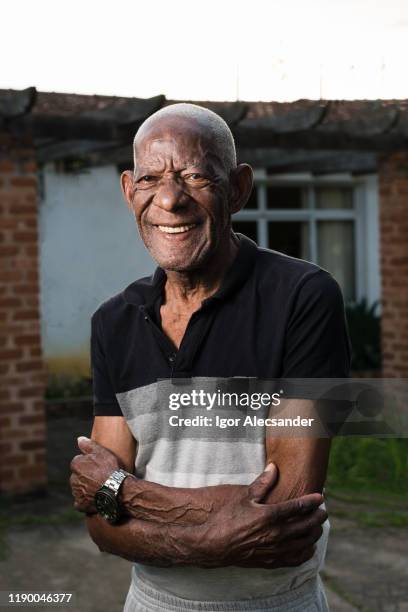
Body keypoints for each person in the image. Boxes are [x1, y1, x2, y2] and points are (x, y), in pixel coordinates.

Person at [70, 103, 351, 612]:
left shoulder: (303, 297)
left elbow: (286, 511)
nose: (170, 200)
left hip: (275, 604)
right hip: (150, 601)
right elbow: (99, 525)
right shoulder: (113, 322)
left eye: (195, 175)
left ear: (239, 188)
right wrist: (210, 534)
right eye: (151, 178)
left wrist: (125, 492)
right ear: (128, 190)